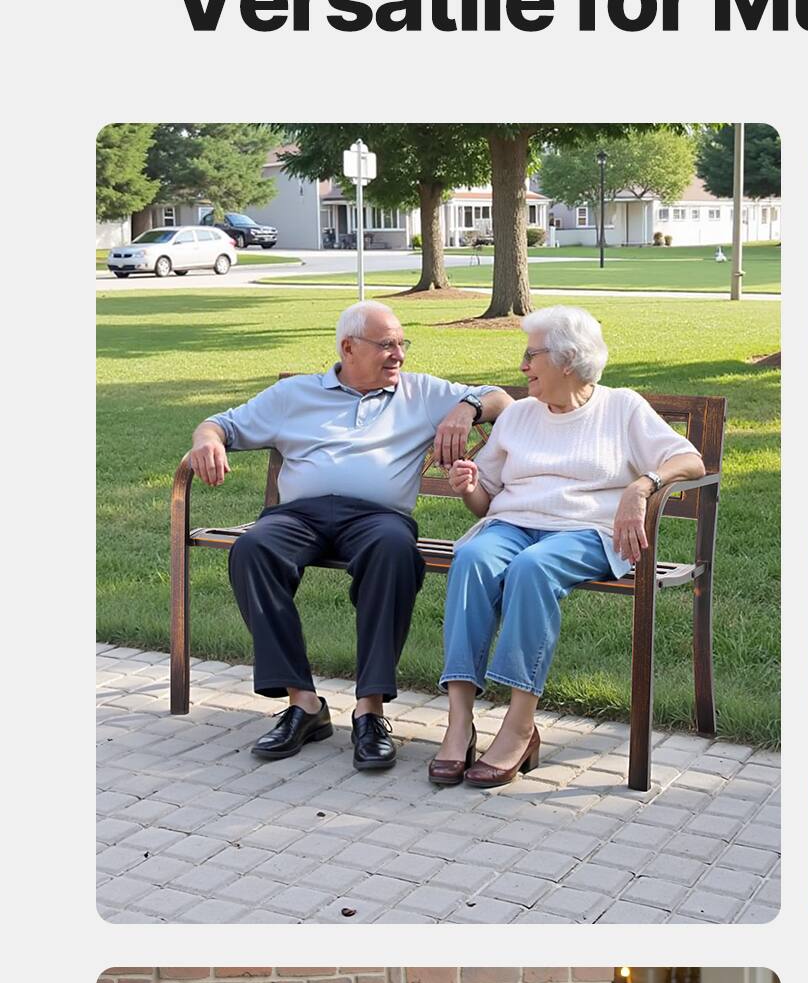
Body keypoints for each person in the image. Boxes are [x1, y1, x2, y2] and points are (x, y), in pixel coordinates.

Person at [189, 302, 511, 771]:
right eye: (386, 345)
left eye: (402, 343)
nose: (398, 354)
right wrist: (207, 441)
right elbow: (221, 423)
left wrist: (467, 408)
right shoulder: (295, 394)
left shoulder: (419, 392)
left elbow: (501, 399)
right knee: (253, 549)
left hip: (378, 518)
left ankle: (370, 710)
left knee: (394, 552)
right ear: (348, 347)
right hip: (299, 515)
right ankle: (304, 704)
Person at [429, 305, 706, 787]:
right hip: (511, 525)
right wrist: (469, 483)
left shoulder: (621, 407)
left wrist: (641, 486)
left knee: (533, 568)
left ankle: (520, 723)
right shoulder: (518, 415)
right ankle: (459, 721)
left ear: (567, 360)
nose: (522, 367)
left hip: (586, 533)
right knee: (471, 556)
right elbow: (484, 503)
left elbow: (690, 461)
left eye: (530, 355)